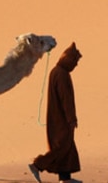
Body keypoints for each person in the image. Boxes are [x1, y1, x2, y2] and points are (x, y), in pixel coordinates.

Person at [29, 42, 83, 183]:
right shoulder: (62, 74)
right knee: (61, 147)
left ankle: (65, 178)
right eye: (75, 61)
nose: (75, 65)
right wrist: (71, 119)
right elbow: (66, 99)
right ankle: (37, 165)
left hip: (57, 118)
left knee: (67, 147)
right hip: (61, 120)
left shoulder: (56, 71)